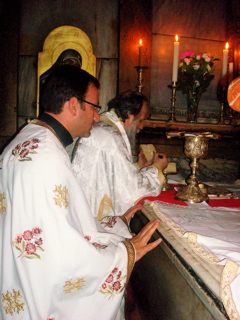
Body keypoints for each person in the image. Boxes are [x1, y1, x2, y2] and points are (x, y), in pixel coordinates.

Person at [0, 65, 161, 320]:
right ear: (74, 105)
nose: (97, 117)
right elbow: (63, 255)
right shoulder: (46, 156)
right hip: (37, 299)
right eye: (95, 107)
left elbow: (51, 228)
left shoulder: (32, 137)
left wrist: (114, 223)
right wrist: (126, 252)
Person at [71, 90, 168, 218]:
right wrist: (157, 168)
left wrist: (138, 169)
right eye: (140, 120)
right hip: (93, 219)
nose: (142, 126)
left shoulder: (104, 127)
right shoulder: (110, 136)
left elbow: (111, 176)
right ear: (129, 116)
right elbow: (132, 190)